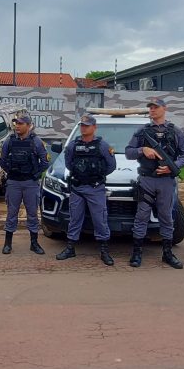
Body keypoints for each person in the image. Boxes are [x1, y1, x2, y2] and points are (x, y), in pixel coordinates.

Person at [125, 98, 184, 269]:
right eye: (150, 108)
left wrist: (173, 167)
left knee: (167, 218)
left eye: (156, 107)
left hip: (166, 182)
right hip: (147, 180)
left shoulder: (175, 131)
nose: (152, 110)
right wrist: (143, 150)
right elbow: (128, 152)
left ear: (164, 108)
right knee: (141, 216)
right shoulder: (142, 131)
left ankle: (167, 253)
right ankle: (137, 252)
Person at [55, 113, 117, 265]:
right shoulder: (73, 146)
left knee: (100, 220)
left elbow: (111, 166)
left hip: (95, 188)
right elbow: (69, 164)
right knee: (74, 219)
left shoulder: (102, 146)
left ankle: (104, 250)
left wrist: (95, 177)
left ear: (94, 127)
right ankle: (70, 248)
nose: (84, 128)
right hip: (78, 188)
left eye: (87, 126)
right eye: (82, 125)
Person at [0, 111, 50, 255]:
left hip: (30, 183)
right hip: (14, 182)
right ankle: (7, 243)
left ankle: (34, 243)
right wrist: (11, 171)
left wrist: (34, 175)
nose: (17, 126)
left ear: (29, 126)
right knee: (11, 213)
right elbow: (2, 160)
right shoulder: (10, 140)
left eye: (20, 124)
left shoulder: (36, 141)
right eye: (16, 123)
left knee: (33, 214)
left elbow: (45, 161)